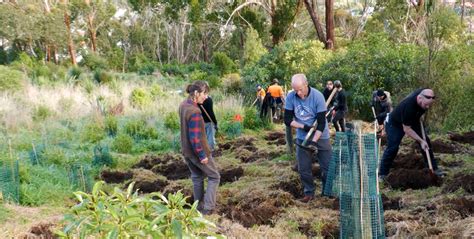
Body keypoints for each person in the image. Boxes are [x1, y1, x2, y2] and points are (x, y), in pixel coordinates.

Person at [284, 74, 332, 203]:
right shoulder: (290, 97)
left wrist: (314, 141)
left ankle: (327, 192)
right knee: (304, 168)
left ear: (306, 84)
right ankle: (309, 193)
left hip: (321, 136)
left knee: (327, 167)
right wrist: (303, 126)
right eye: (295, 90)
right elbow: (287, 120)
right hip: (302, 137)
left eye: (300, 89)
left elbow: (321, 123)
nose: (298, 93)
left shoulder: (318, 97)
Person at [379, 88, 443, 179]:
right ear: (420, 98)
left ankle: (434, 168)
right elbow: (407, 129)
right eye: (426, 105)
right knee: (393, 147)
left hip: (413, 119)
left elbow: (424, 92)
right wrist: (420, 141)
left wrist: (423, 140)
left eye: (429, 105)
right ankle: (383, 173)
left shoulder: (423, 94)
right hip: (395, 124)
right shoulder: (409, 107)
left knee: (426, 143)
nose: (428, 107)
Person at [179, 80, 220, 215]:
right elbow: (196, 138)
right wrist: (202, 156)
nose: (206, 97)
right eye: (204, 93)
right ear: (196, 93)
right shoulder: (195, 111)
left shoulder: (184, 105)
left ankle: (198, 206)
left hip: (187, 151)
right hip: (198, 152)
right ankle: (208, 208)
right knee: (214, 177)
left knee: (197, 176)